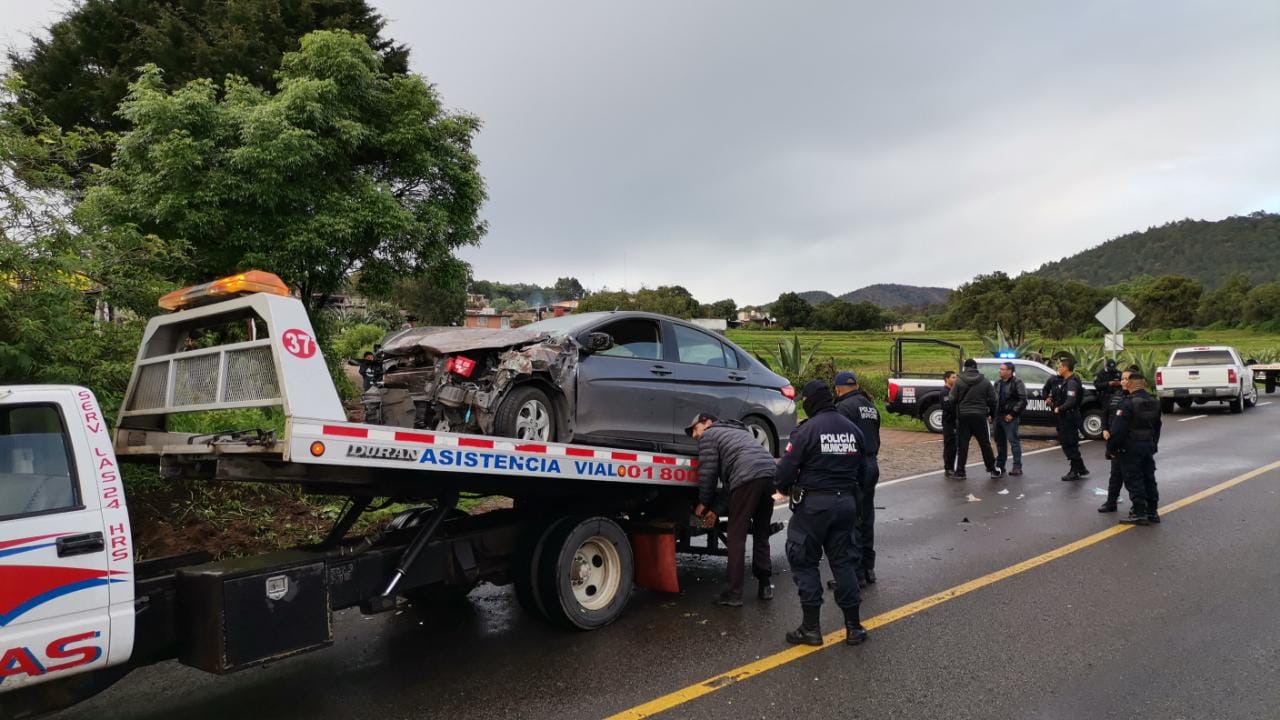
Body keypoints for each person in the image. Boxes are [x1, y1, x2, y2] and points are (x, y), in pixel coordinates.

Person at [775, 380, 867, 647]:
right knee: (843, 563)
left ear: (811, 401)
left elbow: (785, 470)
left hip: (815, 506)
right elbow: (862, 471)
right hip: (847, 503)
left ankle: (811, 628)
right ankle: (854, 626)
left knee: (804, 560)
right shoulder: (852, 430)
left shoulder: (807, 430)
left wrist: (782, 486)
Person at [687, 413, 777, 607]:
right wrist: (716, 510)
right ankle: (765, 585)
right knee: (761, 532)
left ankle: (733, 593)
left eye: (695, 429)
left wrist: (703, 503)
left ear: (707, 422)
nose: (694, 435)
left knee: (737, 536)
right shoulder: (740, 433)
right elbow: (730, 488)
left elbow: (707, 473)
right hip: (770, 474)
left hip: (748, 477)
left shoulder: (710, 435)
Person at [833, 371, 880, 587]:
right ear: (857, 385)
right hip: (871, 463)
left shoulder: (843, 408)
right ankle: (868, 568)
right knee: (867, 515)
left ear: (838, 389)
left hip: (855, 465)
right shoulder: (869, 406)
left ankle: (855, 573)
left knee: (851, 519)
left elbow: (841, 439)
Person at [1106, 371, 1162, 525]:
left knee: (1134, 479)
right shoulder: (1154, 401)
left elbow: (1118, 430)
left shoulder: (1128, 403)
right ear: (1143, 383)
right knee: (1149, 478)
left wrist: (1111, 449)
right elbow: (1157, 427)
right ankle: (1152, 511)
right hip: (1148, 446)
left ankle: (1139, 512)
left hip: (1130, 448)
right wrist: (1153, 444)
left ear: (1130, 383)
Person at [950, 359, 998, 480]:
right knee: (985, 443)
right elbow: (994, 400)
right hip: (980, 416)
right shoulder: (985, 381)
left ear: (965, 368)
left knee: (963, 445)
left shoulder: (959, 381)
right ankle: (992, 469)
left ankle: (960, 471)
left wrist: (957, 411)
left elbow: (952, 399)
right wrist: (991, 414)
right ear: (976, 367)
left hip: (963, 416)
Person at [1098, 365, 1138, 513]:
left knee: (1133, 478)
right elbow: (1105, 414)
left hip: (1131, 444)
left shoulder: (1137, 399)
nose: (1123, 382)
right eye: (1122, 379)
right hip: (1115, 443)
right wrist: (1105, 429)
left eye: (1126, 379)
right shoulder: (1115, 396)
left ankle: (1138, 506)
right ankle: (1111, 502)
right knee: (1115, 475)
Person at [1052, 358, 1090, 481]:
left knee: (1069, 444)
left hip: (1069, 417)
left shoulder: (1072, 382)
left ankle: (1075, 471)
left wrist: (1060, 408)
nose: (1058, 369)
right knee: (1068, 442)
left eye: (1060, 367)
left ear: (1065, 368)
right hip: (1066, 417)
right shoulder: (1067, 381)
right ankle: (1081, 468)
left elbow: (1071, 401)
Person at [993, 362, 1027, 477]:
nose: (999, 371)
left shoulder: (1017, 382)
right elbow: (993, 399)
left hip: (1010, 417)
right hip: (998, 416)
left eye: (1002, 369)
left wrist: (1012, 414)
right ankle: (1000, 466)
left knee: (1014, 442)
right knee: (1000, 442)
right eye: (1000, 369)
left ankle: (1017, 466)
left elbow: (1022, 400)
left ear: (1009, 371)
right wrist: (991, 413)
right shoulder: (997, 383)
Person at [941, 371, 959, 478]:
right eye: (953, 377)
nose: (955, 379)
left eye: (956, 377)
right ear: (947, 379)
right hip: (949, 422)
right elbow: (948, 407)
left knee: (954, 446)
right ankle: (948, 468)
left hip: (954, 421)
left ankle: (951, 467)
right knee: (949, 445)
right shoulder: (945, 392)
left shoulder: (953, 391)